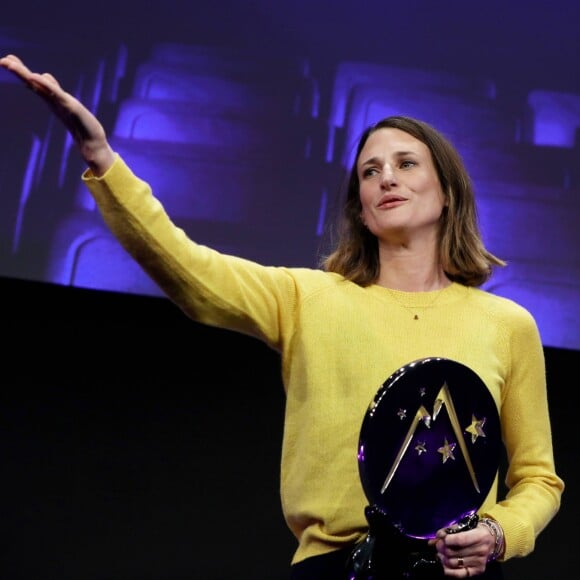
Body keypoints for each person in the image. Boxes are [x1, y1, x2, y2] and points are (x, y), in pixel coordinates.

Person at [0, 53, 564, 580]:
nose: (385, 178)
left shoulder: (508, 324)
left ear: (446, 194)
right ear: (362, 213)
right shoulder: (307, 297)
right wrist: (101, 157)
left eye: (405, 163)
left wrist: (498, 532)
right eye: (369, 172)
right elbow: (186, 268)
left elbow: (539, 479)